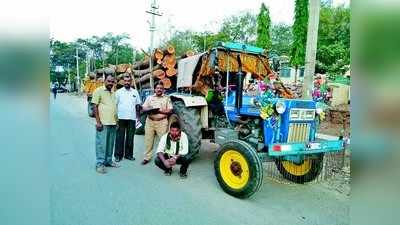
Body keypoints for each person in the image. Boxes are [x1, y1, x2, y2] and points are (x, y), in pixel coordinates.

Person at [92, 75, 120, 174]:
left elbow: (114, 108)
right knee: (101, 144)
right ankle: (100, 164)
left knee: (110, 144)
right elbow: (94, 106)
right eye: (109, 81)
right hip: (103, 123)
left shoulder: (113, 93)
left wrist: (116, 122)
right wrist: (98, 122)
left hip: (112, 122)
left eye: (112, 82)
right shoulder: (98, 91)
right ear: (105, 81)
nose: (110, 83)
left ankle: (108, 161)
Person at [141, 82, 173, 165]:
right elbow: (144, 108)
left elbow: (169, 110)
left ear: (163, 90)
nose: (159, 89)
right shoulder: (149, 98)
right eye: (157, 88)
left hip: (162, 122)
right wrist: (149, 109)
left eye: (161, 88)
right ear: (155, 89)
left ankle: (165, 158)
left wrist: (158, 111)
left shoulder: (167, 98)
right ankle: (147, 158)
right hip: (150, 122)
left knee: (164, 141)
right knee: (148, 140)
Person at [114, 75, 141, 162]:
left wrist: (138, 117)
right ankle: (118, 155)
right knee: (119, 137)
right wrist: (115, 118)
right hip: (121, 118)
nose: (127, 82)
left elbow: (138, 105)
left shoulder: (135, 92)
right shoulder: (118, 92)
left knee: (130, 138)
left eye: (128, 81)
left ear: (131, 82)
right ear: (123, 82)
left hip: (132, 118)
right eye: (125, 81)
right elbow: (115, 105)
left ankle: (128, 155)